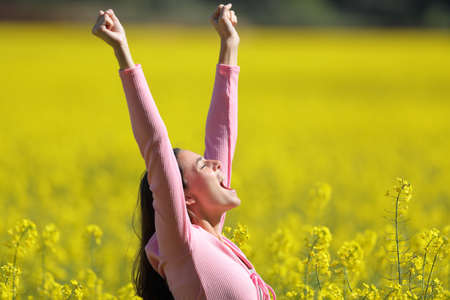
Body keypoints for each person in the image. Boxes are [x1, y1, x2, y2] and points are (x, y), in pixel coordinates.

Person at [91, 3, 276, 299]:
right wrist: (123, 53)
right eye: (204, 166)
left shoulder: (214, 241)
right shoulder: (182, 243)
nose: (218, 165)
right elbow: (156, 144)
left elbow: (222, 137)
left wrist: (229, 44)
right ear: (185, 196)